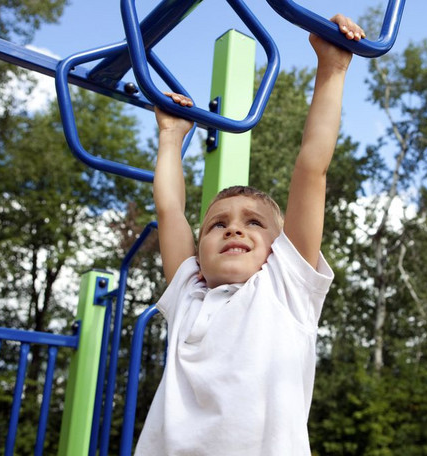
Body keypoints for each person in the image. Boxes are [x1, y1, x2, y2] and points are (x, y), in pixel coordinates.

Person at [135, 14, 365, 456]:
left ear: (279, 249)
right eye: (217, 224)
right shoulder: (189, 293)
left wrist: (332, 69)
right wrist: (170, 136)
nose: (233, 227)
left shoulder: (285, 288)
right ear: (197, 253)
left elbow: (311, 168)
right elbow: (170, 210)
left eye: (253, 222)